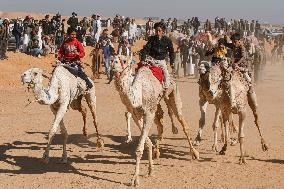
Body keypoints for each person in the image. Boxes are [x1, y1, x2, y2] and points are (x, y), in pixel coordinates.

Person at [140, 21, 175, 98]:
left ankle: (166, 89)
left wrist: (172, 62)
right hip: (151, 59)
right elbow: (146, 49)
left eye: (159, 31)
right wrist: (143, 59)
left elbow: (171, 52)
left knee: (166, 74)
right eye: (156, 31)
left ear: (163, 31)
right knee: (140, 70)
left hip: (161, 61)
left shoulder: (168, 40)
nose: (157, 32)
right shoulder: (151, 39)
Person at [224, 33, 257, 108]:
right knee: (226, 74)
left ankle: (251, 87)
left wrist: (237, 64)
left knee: (246, 77)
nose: (233, 43)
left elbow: (243, 57)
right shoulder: (233, 45)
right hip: (234, 65)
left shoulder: (242, 47)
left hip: (243, 65)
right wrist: (225, 37)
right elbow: (226, 44)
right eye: (232, 41)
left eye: (235, 41)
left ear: (239, 41)